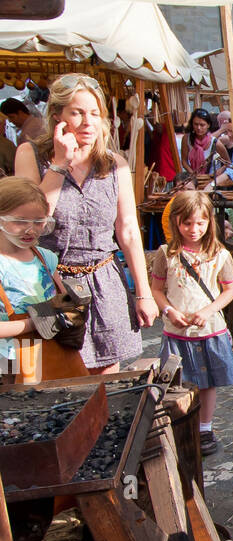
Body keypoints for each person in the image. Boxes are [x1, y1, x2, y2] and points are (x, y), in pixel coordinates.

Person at [15, 73, 157, 373]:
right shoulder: (31, 155)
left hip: (104, 284)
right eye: (77, 112)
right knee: (56, 379)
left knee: (106, 384)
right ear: (58, 117)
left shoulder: (113, 164)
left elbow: (129, 231)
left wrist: (143, 293)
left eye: (95, 113)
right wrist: (59, 163)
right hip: (52, 287)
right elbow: (32, 224)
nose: (88, 122)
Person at [150, 190, 233, 457]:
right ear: (176, 222)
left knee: (207, 382)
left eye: (200, 223)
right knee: (177, 381)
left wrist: (209, 311)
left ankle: (205, 427)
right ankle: (180, 423)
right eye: (187, 223)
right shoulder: (166, 253)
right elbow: (157, 288)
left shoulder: (219, 254)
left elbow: (229, 291)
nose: (193, 229)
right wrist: (167, 310)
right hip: (177, 330)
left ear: (209, 222)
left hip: (208, 329)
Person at [0, 177, 89, 385]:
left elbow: (62, 299)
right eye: (20, 221)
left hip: (51, 353)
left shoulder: (44, 257)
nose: (30, 230)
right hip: (9, 362)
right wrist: (35, 323)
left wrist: (73, 311)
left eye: (39, 222)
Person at [181, 109, 216, 174]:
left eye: (202, 125)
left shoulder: (214, 142)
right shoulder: (186, 138)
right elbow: (184, 161)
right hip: (193, 178)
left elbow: (227, 162)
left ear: (208, 125)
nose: (199, 128)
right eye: (196, 124)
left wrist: (216, 175)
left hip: (210, 179)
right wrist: (193, 175)